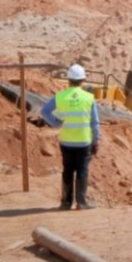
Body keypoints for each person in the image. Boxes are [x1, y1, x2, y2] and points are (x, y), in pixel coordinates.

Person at [41, 64, 100, 210]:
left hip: (66, 141)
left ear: (68, 80)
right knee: (82, 170)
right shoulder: (89, 98)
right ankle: (81, 202)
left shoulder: (60, 97)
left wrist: (55, 123)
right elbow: (95, 123)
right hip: (84, 141)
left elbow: (44, 111)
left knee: (67, 170)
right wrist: (96, 140)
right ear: (82, 80)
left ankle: (66, 202)